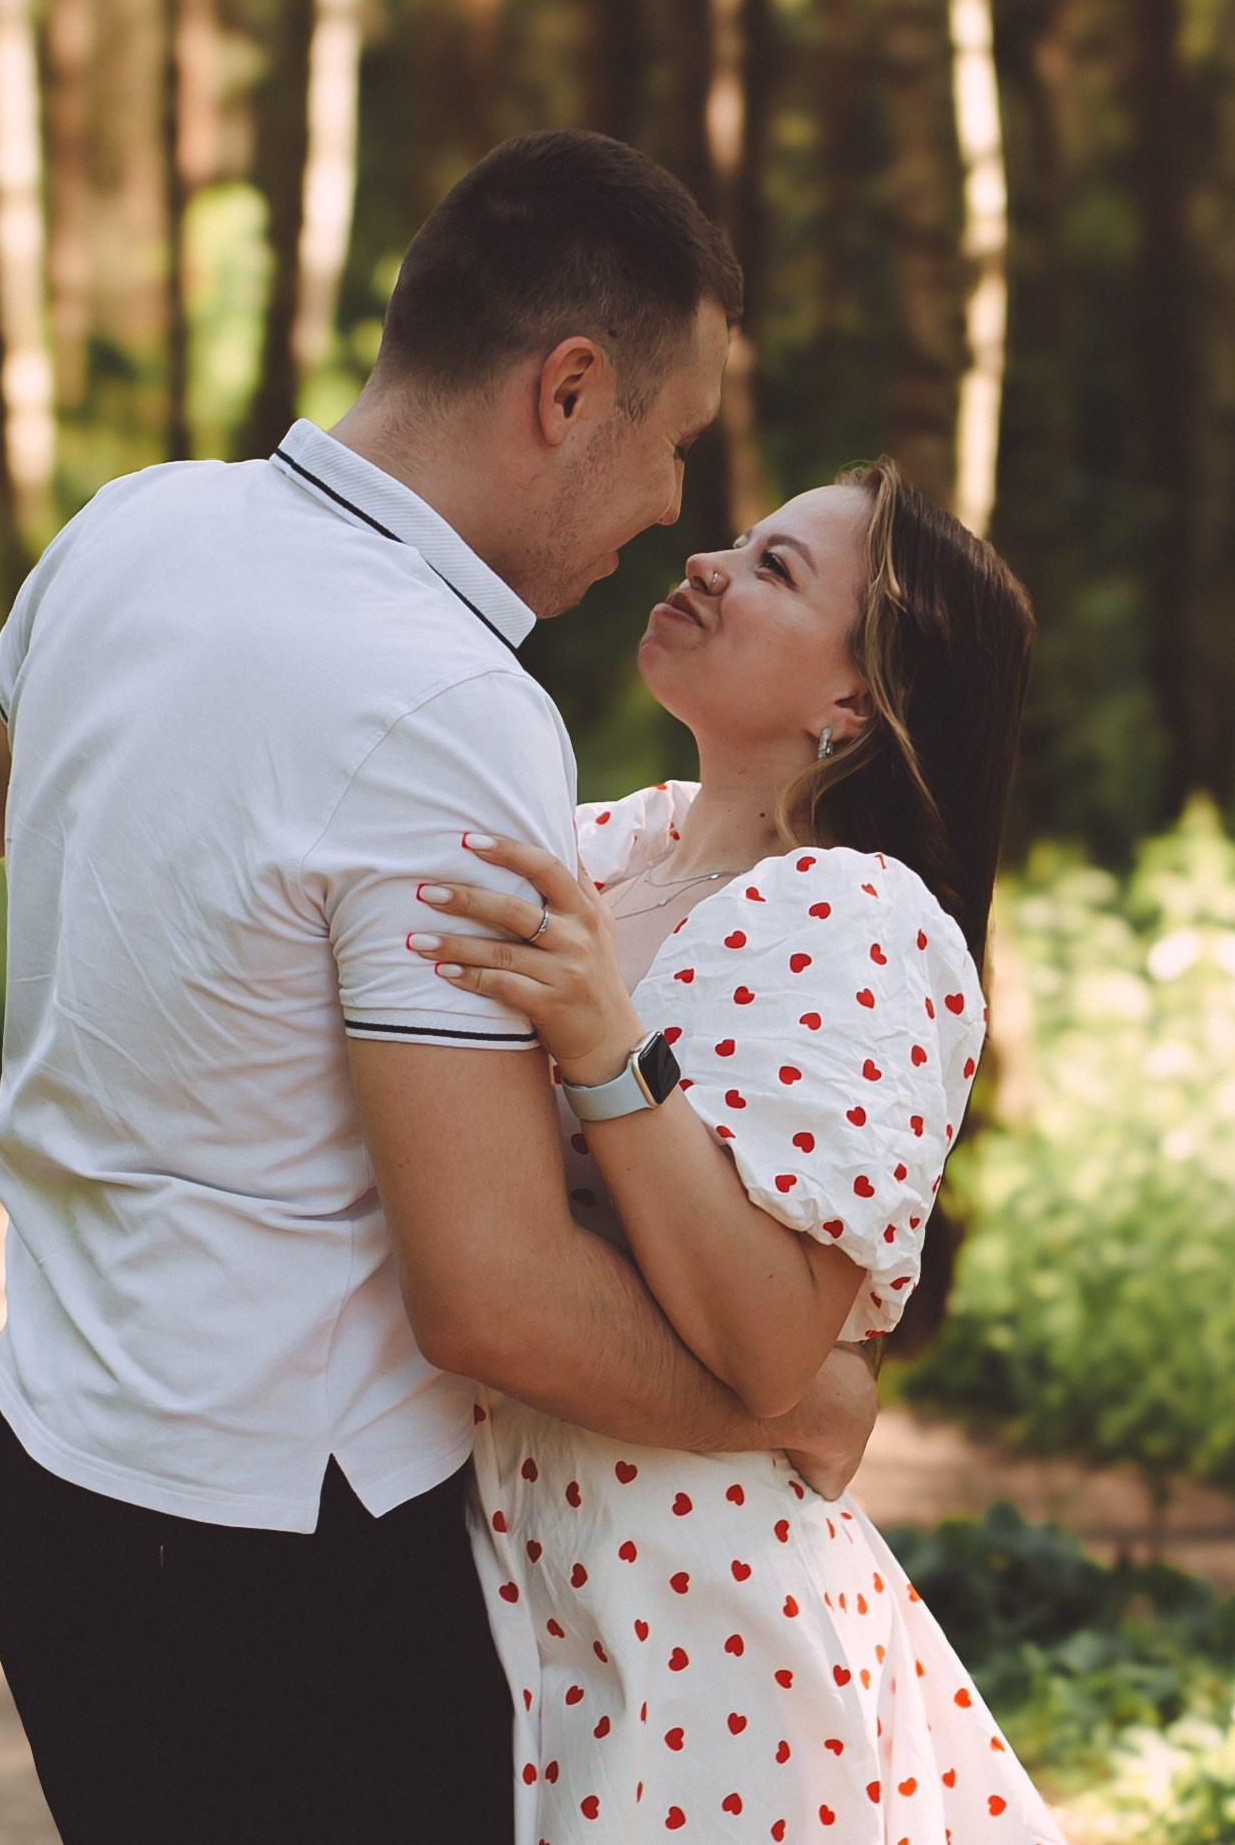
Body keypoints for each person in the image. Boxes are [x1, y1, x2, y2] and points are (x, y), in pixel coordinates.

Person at [0, 130, 881, 1845]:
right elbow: (490, 1301)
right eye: (672, 443)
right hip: (278, 1565)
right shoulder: (450, 702)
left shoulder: (136, 525)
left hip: (47, 1473)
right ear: (569, 391)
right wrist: (790, 1396)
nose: (673, 504)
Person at [409, 460, 1064, 1842]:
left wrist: (604, 1045)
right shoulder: (605, 844)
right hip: (511, 1572)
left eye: (776, 570)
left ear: (853, 707)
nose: (709, 562)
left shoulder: (852, 917)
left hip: (700, 1630)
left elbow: (771, 1341)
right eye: (741, 541)